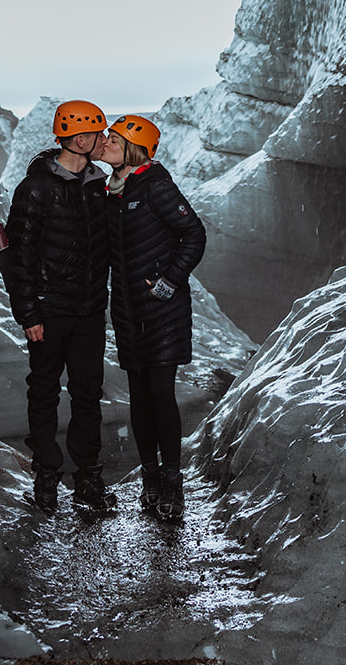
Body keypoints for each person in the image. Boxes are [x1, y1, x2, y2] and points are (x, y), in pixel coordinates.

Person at [4, 98, 118, 515]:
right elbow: (20, 257)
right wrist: (29, 314)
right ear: (67, 137)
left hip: (89, 310)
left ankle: (87, 477)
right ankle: (46, 475)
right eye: (83, 133)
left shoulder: (99, 184)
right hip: (51, 312)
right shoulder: (36, 188)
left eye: (94, 132)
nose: (91, 139)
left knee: (88, 393)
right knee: (45, 391)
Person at [98, 113, 205, 522]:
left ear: (133, 147)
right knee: (139, 397)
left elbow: (194, 234)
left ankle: (173, 486)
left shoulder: (156, 186)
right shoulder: (114, 191)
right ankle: (150, 479)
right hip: (128, 311)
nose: (105, 142)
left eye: (113, 138)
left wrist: (169, 282)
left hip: (162, 309)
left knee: (160, 393)